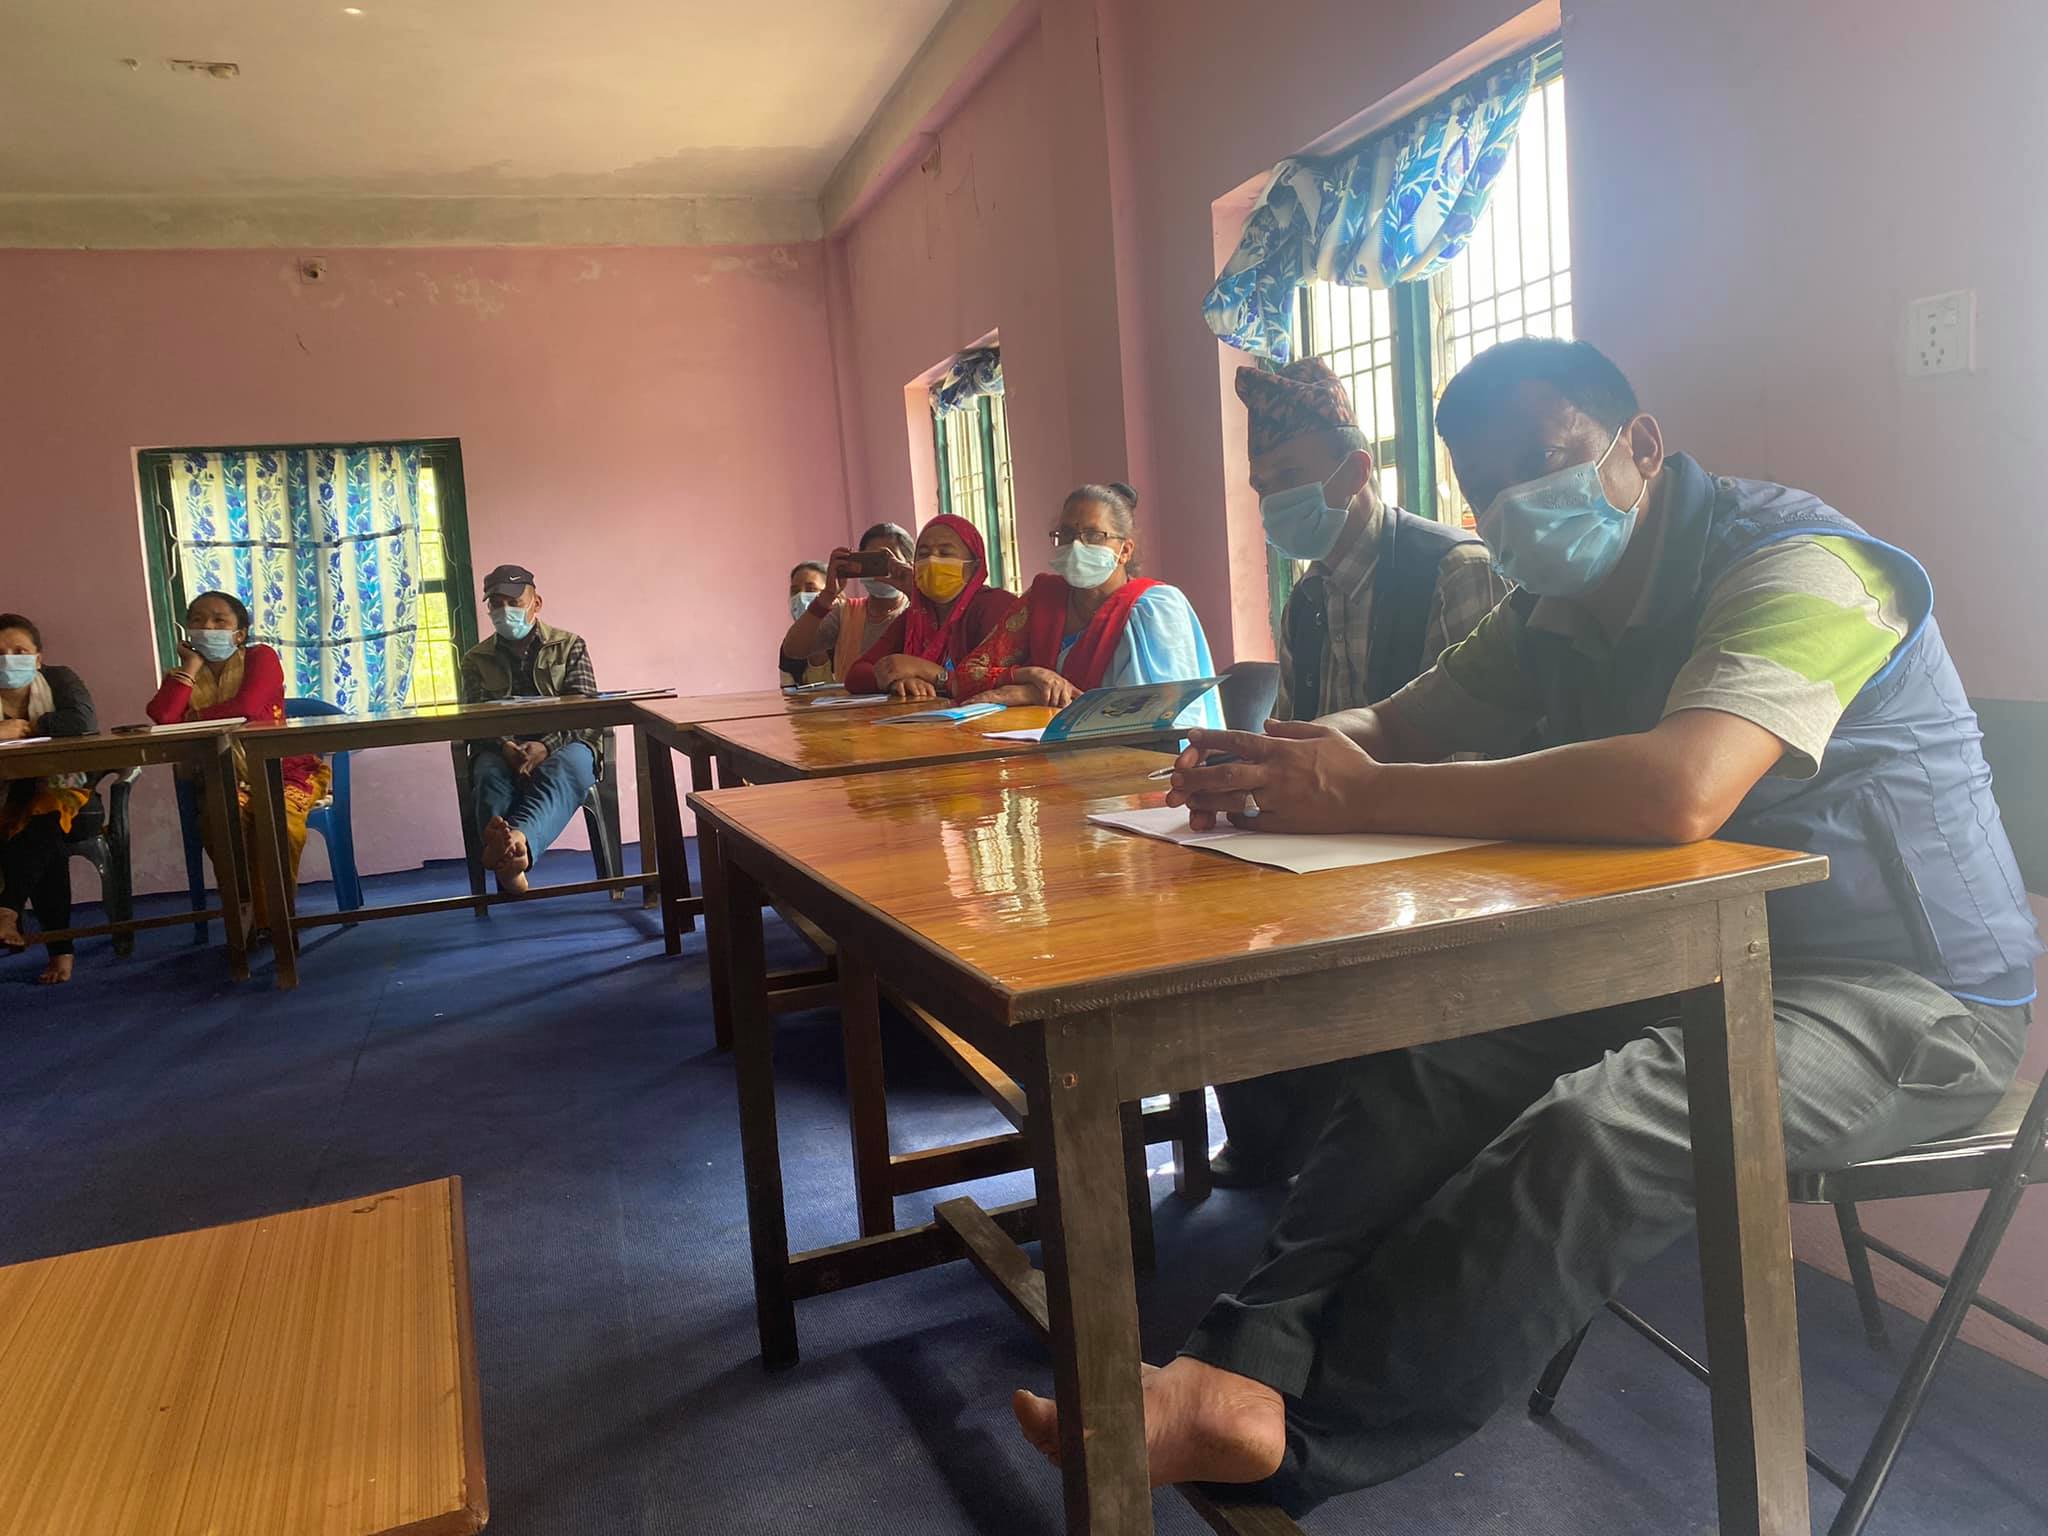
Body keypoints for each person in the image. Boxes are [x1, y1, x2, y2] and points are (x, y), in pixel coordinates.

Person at [1014, 337, 2041, 1514]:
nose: (1513, 503)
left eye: (1540, 461)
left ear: (1638, 445)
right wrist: (1264, 763)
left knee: (1598, 1130)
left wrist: (1363, 794)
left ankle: (1308, 1431)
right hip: (1689, 956)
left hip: (1907, 998)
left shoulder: (1806, 568)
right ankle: (1236, 1365)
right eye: (1485, 485)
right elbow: (1396, 725)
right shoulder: (1548, 608)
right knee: (1426, 1054)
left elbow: (1679, 790)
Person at [1215, 359, 1511, 1186]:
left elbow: (1482, 751)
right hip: (1341, 838)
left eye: (1289, 478)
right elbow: (1300, 740)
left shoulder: (1454, 567)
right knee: (1220, 904)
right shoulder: (1304, 602)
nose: (1274, 502)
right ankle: (1277, 1134)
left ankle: (1347, 1144)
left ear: (1354, 471)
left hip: (1441, 842)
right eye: (1263, 485)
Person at [952, 483, 1221, 727]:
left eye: (1093, 535)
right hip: (1044, 745)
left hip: (1133, 757)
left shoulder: (1155, 609)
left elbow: (1152, 717)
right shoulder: (1043, 599)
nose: (1076, 545)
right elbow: (965, 678)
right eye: (1067, 534)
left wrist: (1032, 695)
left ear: (1125, 551)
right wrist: (1030, 675)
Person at [146, 591, 331, 932]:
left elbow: (246, 706)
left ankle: (276, 919)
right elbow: (162, 716)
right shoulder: (182, 674)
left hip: (281, 771)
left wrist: (191, 719)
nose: (207, 627)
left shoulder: (261, 657)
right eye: (197, 620)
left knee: (280, 821)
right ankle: (244, 917)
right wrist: (191, 666)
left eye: (219, 620)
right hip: (221, 776)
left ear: (239, 633)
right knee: (224, 820)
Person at [459, 563, 601, 895]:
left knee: (564, 768)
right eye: (497, 604)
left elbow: (584, 712)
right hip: (501, 748)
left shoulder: (570, 646)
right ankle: (512, 856)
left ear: (536, 603)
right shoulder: (475, 659)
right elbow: (475, 718)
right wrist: (506, 745)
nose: (505, 611)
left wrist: (546, 746)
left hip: (567, 743)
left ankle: (514, 846)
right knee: (489, 775)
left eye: (514, 602)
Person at [0, 614, 96, 984]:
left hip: (71, 794)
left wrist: (28, 727)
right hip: (9, 802)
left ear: (38, 658)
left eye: (19, 651)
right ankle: (60, 950)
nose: (8, 659)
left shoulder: (60, 679)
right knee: (43, 833)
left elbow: (82, 722)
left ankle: (7, 910)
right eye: (0, 653)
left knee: (47, 812)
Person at [842, 514, 1020, 700]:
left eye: (945, 553)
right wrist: (896, 680)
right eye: (923, 554)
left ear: (974, 566)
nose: (932, 561)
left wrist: (928, 673)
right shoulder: (916, 616)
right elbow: (856, 674)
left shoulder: (995, 605)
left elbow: (1002, 679)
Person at [780, 523, 916, 686]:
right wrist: (827, 595)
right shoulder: (845, 613)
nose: (878, 569)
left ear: (909, 565)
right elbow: (793, 650)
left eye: (887, 561)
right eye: (872, 560)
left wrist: (914, 591)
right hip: (852, 700)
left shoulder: (918, 613)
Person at [780, 563, 833, 687]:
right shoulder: (791, 645)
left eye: (811, 589)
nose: (800, 597)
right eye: (795, 591)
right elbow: (788, 692)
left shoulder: (847, 634)